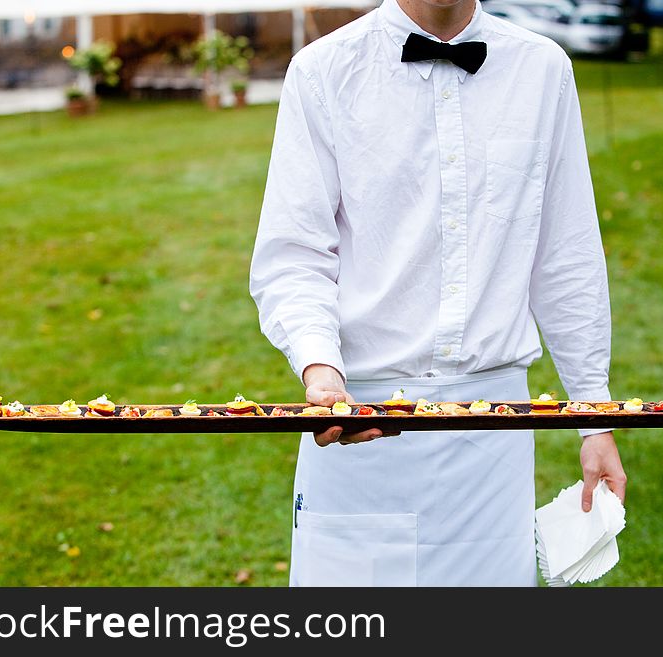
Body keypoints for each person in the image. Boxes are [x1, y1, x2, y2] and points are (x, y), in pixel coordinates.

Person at [250, 0, 626, 586]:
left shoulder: (543, 69)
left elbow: (566, 253)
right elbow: (294, 255)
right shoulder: (322, 71)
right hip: (362, 429)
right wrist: (322, 374)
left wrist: (593, 414)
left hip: (493, 441)